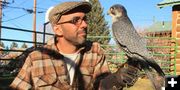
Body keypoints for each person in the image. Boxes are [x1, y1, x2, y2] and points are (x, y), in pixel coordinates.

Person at [10, 1, 138, 90]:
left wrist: (116, 80)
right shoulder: (36, 57)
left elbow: (101, 85)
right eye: (75, 20)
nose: (84, 25)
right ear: (58, 29)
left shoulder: (95, 51)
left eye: (84, 19)